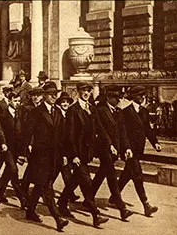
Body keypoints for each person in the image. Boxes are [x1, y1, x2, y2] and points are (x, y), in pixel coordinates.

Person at [57, 81, 111, 228]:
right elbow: (70, 136)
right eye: (84, 90)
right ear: (78, 92)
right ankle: (95, 213)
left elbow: (99, 128)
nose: (87, 93)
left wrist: (110, 144)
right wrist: (73, 155)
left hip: (87, 152)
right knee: (86, 181)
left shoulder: (91, 109)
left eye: (89, 90)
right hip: (76, 152)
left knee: (75, 179)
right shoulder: (73, 110)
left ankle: (61, 203)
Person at [24, 81, 69, 231]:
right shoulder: (36, 112)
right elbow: (27, 132)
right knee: (47, 187)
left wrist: (64, 155)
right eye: (51, 94)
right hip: (40, 156)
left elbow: (62, 137)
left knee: (40, 185)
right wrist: (26, 150)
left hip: (54, 157)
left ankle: (30, 211)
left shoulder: (57, 112)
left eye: (55, 94)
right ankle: (58, 218)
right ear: (44, 95)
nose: (54, 96)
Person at [90, 85, 134, 221]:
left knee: (101, 174)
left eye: (120, 97)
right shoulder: (100, 111)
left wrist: (126, 147)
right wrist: (109, 145)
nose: (120, 99)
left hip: (114, 150)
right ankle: (122, 208)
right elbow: (101, 130)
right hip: (103, 148)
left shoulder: (118, 112)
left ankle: (88, 198)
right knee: (111, 175)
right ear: (109, 98)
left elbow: (123, 132)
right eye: (117, 97)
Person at [116, 85, 161, 217]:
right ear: (134, 96)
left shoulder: (144, 111)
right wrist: (125, 148)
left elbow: (148, 130)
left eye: (144, 95)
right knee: (137, 175)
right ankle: (146, 204)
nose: (142, 97)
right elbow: (122, 132)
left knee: (127, 174)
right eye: (140, 95)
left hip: (138, 149)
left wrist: (155, 143)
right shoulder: (125, 112)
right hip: (128, 150)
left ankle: (114, 196)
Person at [0, 86, 29, 209]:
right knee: (14, 171)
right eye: (15, 101)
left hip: (16, 149)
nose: (17, 104)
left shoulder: (21, 113)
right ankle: (22, 199)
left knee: (8, 172)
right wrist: (2, 144)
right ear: (10, 101)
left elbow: (23, 132)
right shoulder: (4, 115)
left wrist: (23, 151)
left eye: (19, 101)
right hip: (6, 148)